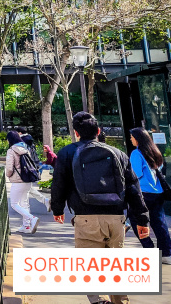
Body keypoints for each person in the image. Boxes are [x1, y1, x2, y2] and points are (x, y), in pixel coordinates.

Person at [51, 112, 150, 304]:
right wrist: (143, 219)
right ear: (98, 131)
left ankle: (101, 300)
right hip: (116, 219)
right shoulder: (119, 154)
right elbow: (133, 188)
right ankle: (121, 300)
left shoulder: (67, 153)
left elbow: (59, 184)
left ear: (76, 133)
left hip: (85, 218)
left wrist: (57, 209)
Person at [128, 127, 171, 264]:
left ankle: (149, 249)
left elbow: (135, 174)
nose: (130, 139)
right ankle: (166, 253)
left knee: (136, 221)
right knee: (159, 223)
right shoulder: (155, 151)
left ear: (138, 138)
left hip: (143, 193)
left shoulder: (136, 153)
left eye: (132, 137)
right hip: (157, 193)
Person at [5, 131, 39, 234]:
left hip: (18, 181)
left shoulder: (11, 151)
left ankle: (32, 218)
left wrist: (8, 175)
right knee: (24, 203)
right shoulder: (25, 148)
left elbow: (9, 168)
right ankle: (26, 226)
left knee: (14, 204)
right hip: (28, 179)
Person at [21, 133, 51, 211]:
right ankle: (45, 201)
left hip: (26, 171)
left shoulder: (25, 148)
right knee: (28, 188)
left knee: (25, 190)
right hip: (31, 170)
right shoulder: (32, 146)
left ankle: (27, 215)